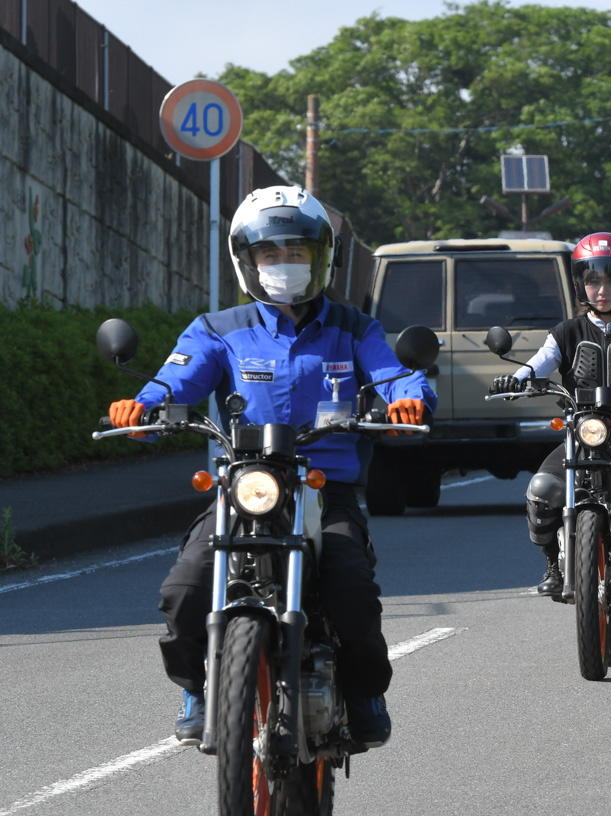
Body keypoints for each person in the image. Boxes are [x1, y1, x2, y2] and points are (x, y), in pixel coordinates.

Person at [107, 186, 436, 748]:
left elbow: (393, 376)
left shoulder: (355, 328)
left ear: (320, 258)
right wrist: (143, 405)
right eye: (269, 254)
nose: (283, 265)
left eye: (296, 252)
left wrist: (410, 398)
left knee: (351, 587)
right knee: (185, 586)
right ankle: (197, 689)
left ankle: (362, 694)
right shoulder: (217, 329)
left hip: (322, 489)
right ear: (247, 261)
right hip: (243, 486)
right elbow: (175, 379)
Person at [490, 232, 611, 598]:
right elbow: (540, 363)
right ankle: (552, 564)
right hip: (582, 434)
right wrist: (515, 379)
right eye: (593, 280)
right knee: (543, 491)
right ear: (580, 283)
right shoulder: (566, 332)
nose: (602, 288)